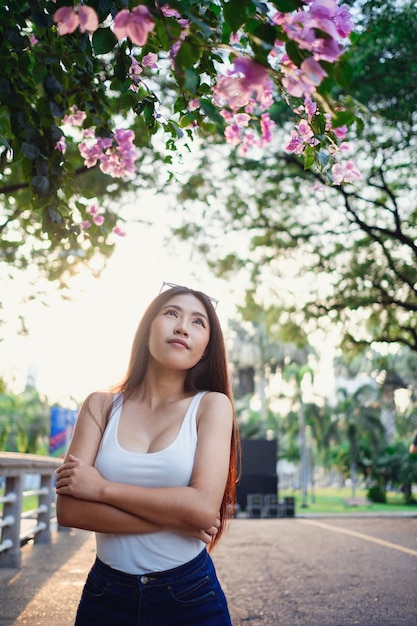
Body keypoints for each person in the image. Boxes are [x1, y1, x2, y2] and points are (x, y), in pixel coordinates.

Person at [55, 282, 240, 626]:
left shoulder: (212, 406)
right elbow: (69, 510)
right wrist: (179, 516)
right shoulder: (100, 406)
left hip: (189, 594)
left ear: (205, 349)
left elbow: (202, 509)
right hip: (105, 596)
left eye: (198, 322)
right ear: (144, 331)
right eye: (171, 313)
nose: (183, 326)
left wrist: (101, 490)